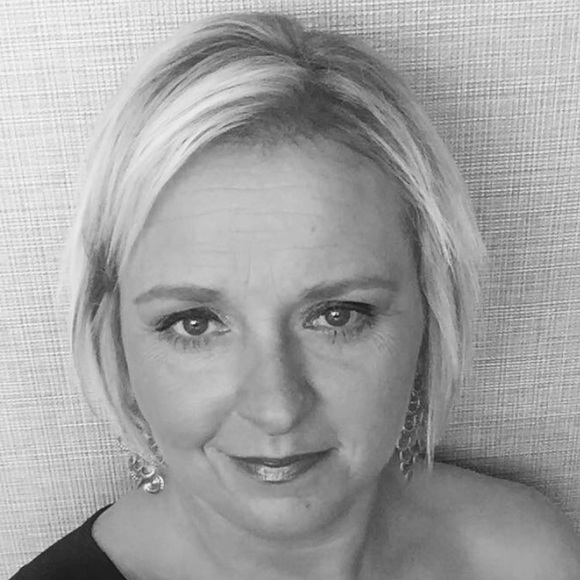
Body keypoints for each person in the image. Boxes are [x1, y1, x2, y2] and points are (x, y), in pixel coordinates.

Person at [12, 11, 580, 580]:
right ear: (113, 344)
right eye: (195, 323)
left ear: (430, 316)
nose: (277, 409)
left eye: (337, 316)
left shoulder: (524, 557)